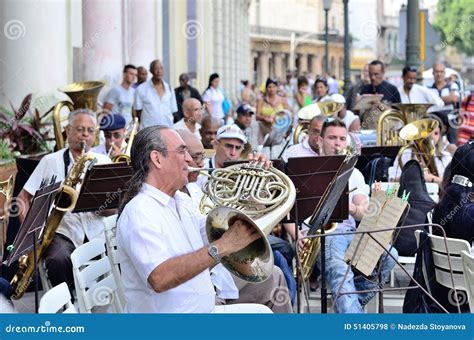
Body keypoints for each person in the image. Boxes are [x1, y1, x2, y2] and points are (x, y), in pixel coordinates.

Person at [116, 126, 272, 313]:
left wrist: (252, 189)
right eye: (182, 151)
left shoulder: (180, 200)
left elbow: (211, 234)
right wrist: (223, 246)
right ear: (157, 159)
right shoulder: (140, 211)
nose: (190, 159)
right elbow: (159, 278)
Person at [177, 130, 293, 313]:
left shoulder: (194, 189)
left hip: (217, 270)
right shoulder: (179, 192)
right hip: (197, 280)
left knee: (274, 276)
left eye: (200, 156)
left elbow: (232, 218)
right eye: (195, 156)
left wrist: (259, 180)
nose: (199, 162)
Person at [17, 109, 111, 292]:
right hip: (63, 231)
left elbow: (113, 209)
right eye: (80, 129)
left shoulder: (103, 161)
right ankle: (68, 302)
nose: (85, 134)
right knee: (57, 260)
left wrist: (104, 202)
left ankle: (99, 298)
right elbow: (23, 197)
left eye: (90, 131)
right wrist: (31, 234)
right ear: (67, 131)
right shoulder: (50, 161)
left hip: (97, 231)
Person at [316, 118, 398, 313]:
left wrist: (348, 207)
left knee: (390, 255)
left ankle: (351, 311)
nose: (338, 143)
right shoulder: (310, 171)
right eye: (332, 138)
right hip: (323, 237)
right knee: (341, 271)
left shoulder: (354, 174)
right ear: (320, 141)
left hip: (352, 234)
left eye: (342, 139)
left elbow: (364, 213)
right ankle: (352, 317)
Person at [388, 120, 452, 183]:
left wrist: (431, 178)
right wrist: (408, 175)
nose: (432, 137)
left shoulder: (446, 157)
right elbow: (392, 180)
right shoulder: (406, 154)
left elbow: (450, 182)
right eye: (428, 133)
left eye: (436, 133)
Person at [133, 59, 178, 129]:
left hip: (167, 129)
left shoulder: (169, 88)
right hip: (148, 130)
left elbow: (173, 111)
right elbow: (138, 112)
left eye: (161, 68)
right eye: (156, 68)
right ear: (151, 70)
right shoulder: (141, 89)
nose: (159, 71)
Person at [428, 62, 461, 143]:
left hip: (450, 120)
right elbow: (427, 102)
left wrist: (435, 100)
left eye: (441, 72)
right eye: (437, 71)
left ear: (444, 73)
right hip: (433, 119)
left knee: (453, 143)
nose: (439, 74)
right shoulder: (428, 89)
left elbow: (454, 98)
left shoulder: (452, 85)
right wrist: (446, 99)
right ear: (433, 73)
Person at [255, 78, 290, 145]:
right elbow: (257, 116)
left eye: (274, 86)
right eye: (269, 87)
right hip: (265, 130)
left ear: (277, 88)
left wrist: (278, 118)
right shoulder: (261, 101)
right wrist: (265, 118)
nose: (272, 89)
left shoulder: (283, 100)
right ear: (266, 88)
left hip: (279, 131)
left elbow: (288, 115)